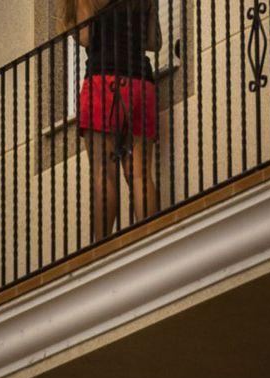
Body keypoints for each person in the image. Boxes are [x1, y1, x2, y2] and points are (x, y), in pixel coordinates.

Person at [58, 0, 162, 241]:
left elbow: (85, 37)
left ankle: (100, 249)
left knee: (104, 173)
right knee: (139, 173)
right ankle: (153, 239)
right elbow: (153, 43)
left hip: (102, 81)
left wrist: (70, 19)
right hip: (140, 82)